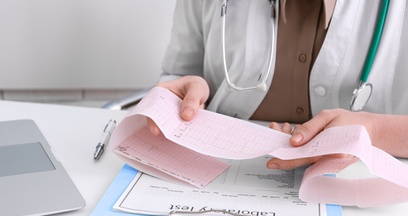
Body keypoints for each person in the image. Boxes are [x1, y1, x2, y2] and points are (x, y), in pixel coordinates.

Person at [150, 1, 408, 166]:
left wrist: (374, 130)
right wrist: (180, 99)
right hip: (221, 170)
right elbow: (177, 75)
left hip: (365, 184)